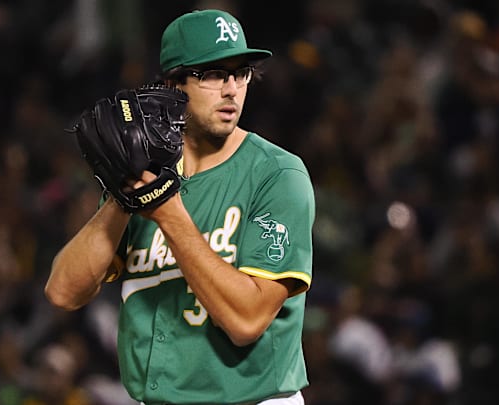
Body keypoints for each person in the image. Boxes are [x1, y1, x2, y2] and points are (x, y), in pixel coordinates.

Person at [45, 8, 315, 405]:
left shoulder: (277, 174)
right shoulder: (146, 173)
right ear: (173, 84)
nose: (231, 89)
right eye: (213, 74)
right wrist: (123, 196)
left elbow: (247, 320)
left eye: (240, 73)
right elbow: (63, 292)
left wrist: (169, 213)